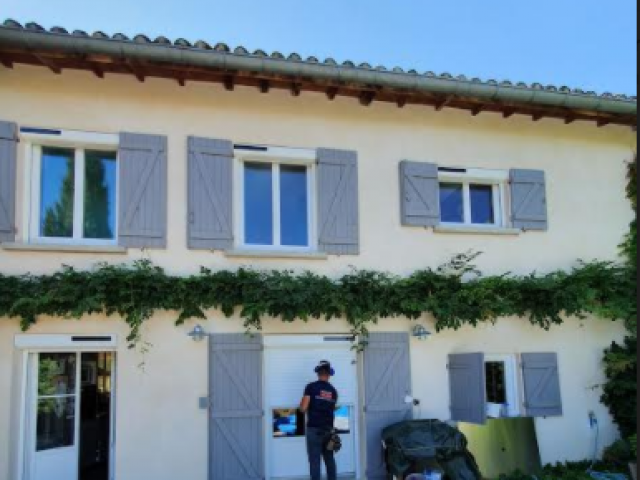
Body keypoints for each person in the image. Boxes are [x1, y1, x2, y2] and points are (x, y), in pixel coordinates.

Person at [299, 360, 339, 480]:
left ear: (318, 373)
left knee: (315, 462)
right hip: (328, 430)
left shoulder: (311, 387)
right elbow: (331, 408)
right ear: (329, 375)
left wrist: (302, 407)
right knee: (329, 459)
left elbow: (303, 408)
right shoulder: (333, 391)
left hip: (314, 430)